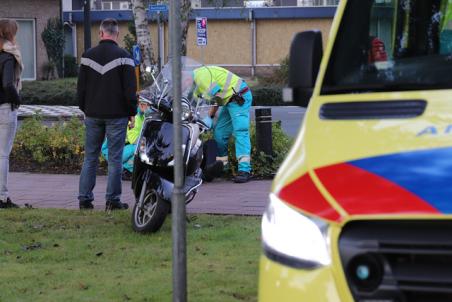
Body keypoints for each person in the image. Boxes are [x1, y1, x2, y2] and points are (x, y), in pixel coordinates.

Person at [77, 18, 137, 210]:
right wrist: (132, 112)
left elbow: (81, 90)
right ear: (117, 34)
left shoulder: (87, 56)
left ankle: (84, 199)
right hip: (117, 115)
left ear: (101, 33)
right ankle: (112, 200)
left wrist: (85, 109)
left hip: (93, 114)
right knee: (115, 158)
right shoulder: (124, 57)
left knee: (90, 157)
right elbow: (130, 89)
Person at [193, 66, 253, 183]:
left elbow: (216, 97)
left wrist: (209, 117)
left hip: (239, 97)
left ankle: (245, 170)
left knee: (240, 132)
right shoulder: (194, 85)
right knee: (219, 134)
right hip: (228, 101)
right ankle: (222, 167)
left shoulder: (201, 77)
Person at [0, 19, 22, 208]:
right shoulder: (8, 56)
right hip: (5, 108)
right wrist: (17, 99)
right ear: (10, 34)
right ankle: (2, 197)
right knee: (2, 155)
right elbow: (8, 83)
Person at [101, 100, 149, 179]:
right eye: (149, 105)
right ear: (142, 105)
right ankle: (125, 170)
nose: (151, 108)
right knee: (141, 148)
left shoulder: (142, 116)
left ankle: (125, 169)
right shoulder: (134, 117)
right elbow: (134, 140)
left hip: (121, 148)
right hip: (111, 151)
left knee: (142, 147)